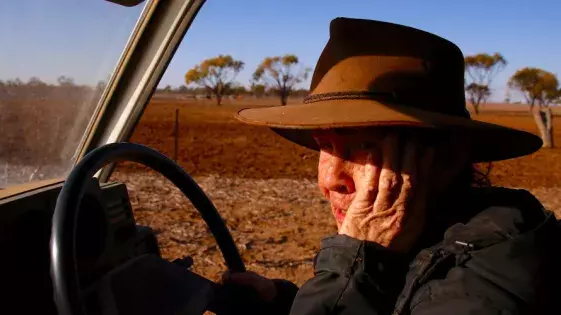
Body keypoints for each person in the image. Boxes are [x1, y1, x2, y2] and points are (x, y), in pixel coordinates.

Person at [223, 18, 561, 315]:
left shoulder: (483, 287)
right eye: (324, 145)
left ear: (446, 158)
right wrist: (278, 305)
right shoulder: (430, 239)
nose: (328, 181)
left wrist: (356, 266)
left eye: (364, 147)